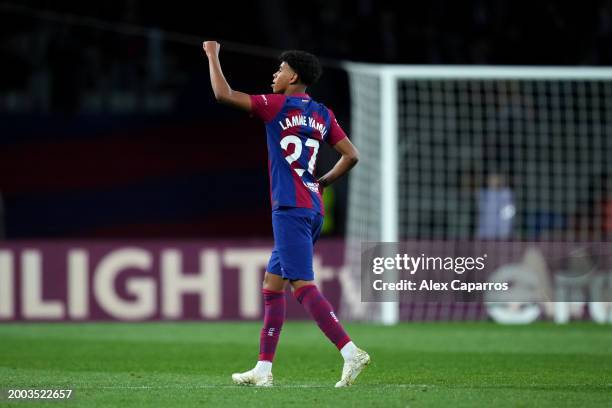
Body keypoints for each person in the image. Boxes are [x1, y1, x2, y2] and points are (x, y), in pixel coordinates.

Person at [203, 41, 369, 388]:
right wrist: (323, 181)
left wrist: (212, 54)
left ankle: (350, 351)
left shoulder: (275, 105)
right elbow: (351, 155)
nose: (274, 74)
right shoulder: (323, 113)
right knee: (272, 284)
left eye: (279, 69)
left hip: (290, 209)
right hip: (312, 207)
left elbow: (223, 94)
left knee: (302, 285)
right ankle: (263, 371)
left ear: (293, 76)